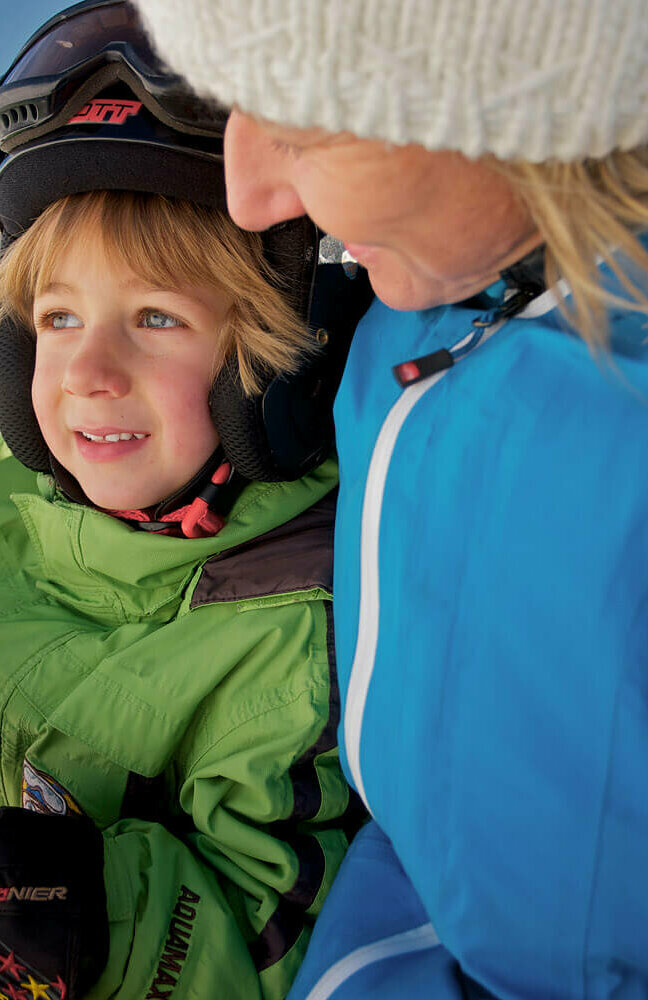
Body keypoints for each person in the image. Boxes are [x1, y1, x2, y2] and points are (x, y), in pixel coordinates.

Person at [130, 1, 648, 998]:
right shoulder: (395, 351)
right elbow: (417, 842)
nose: (245, 195)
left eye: (305, 129)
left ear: (522, 98)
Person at [0, 3, 371, 998]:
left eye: (155, 317)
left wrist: (75, 918)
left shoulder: (283, 631)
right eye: (59, 316)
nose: (87, 369)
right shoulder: (13, 491)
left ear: (269, 370)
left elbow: (267, 928)